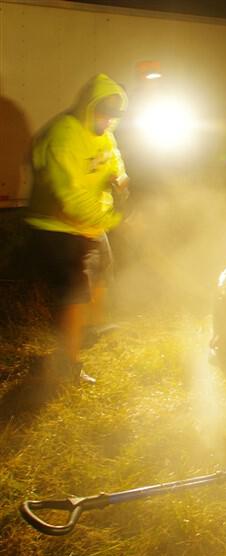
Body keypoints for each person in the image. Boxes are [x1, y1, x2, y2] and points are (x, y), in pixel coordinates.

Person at [25, 73, 129, 384]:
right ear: (89, 105)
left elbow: (114, 163)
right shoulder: (64, 135)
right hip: (56, 227)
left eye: (114, 115)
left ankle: (90, 330)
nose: (108, 120)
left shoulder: (106, 132)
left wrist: (120, 179)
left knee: (102, 274)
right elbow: (69, 199)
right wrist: (114, 219)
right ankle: (66, 366)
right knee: (75, 296)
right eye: (103, 112)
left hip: (91, 224)